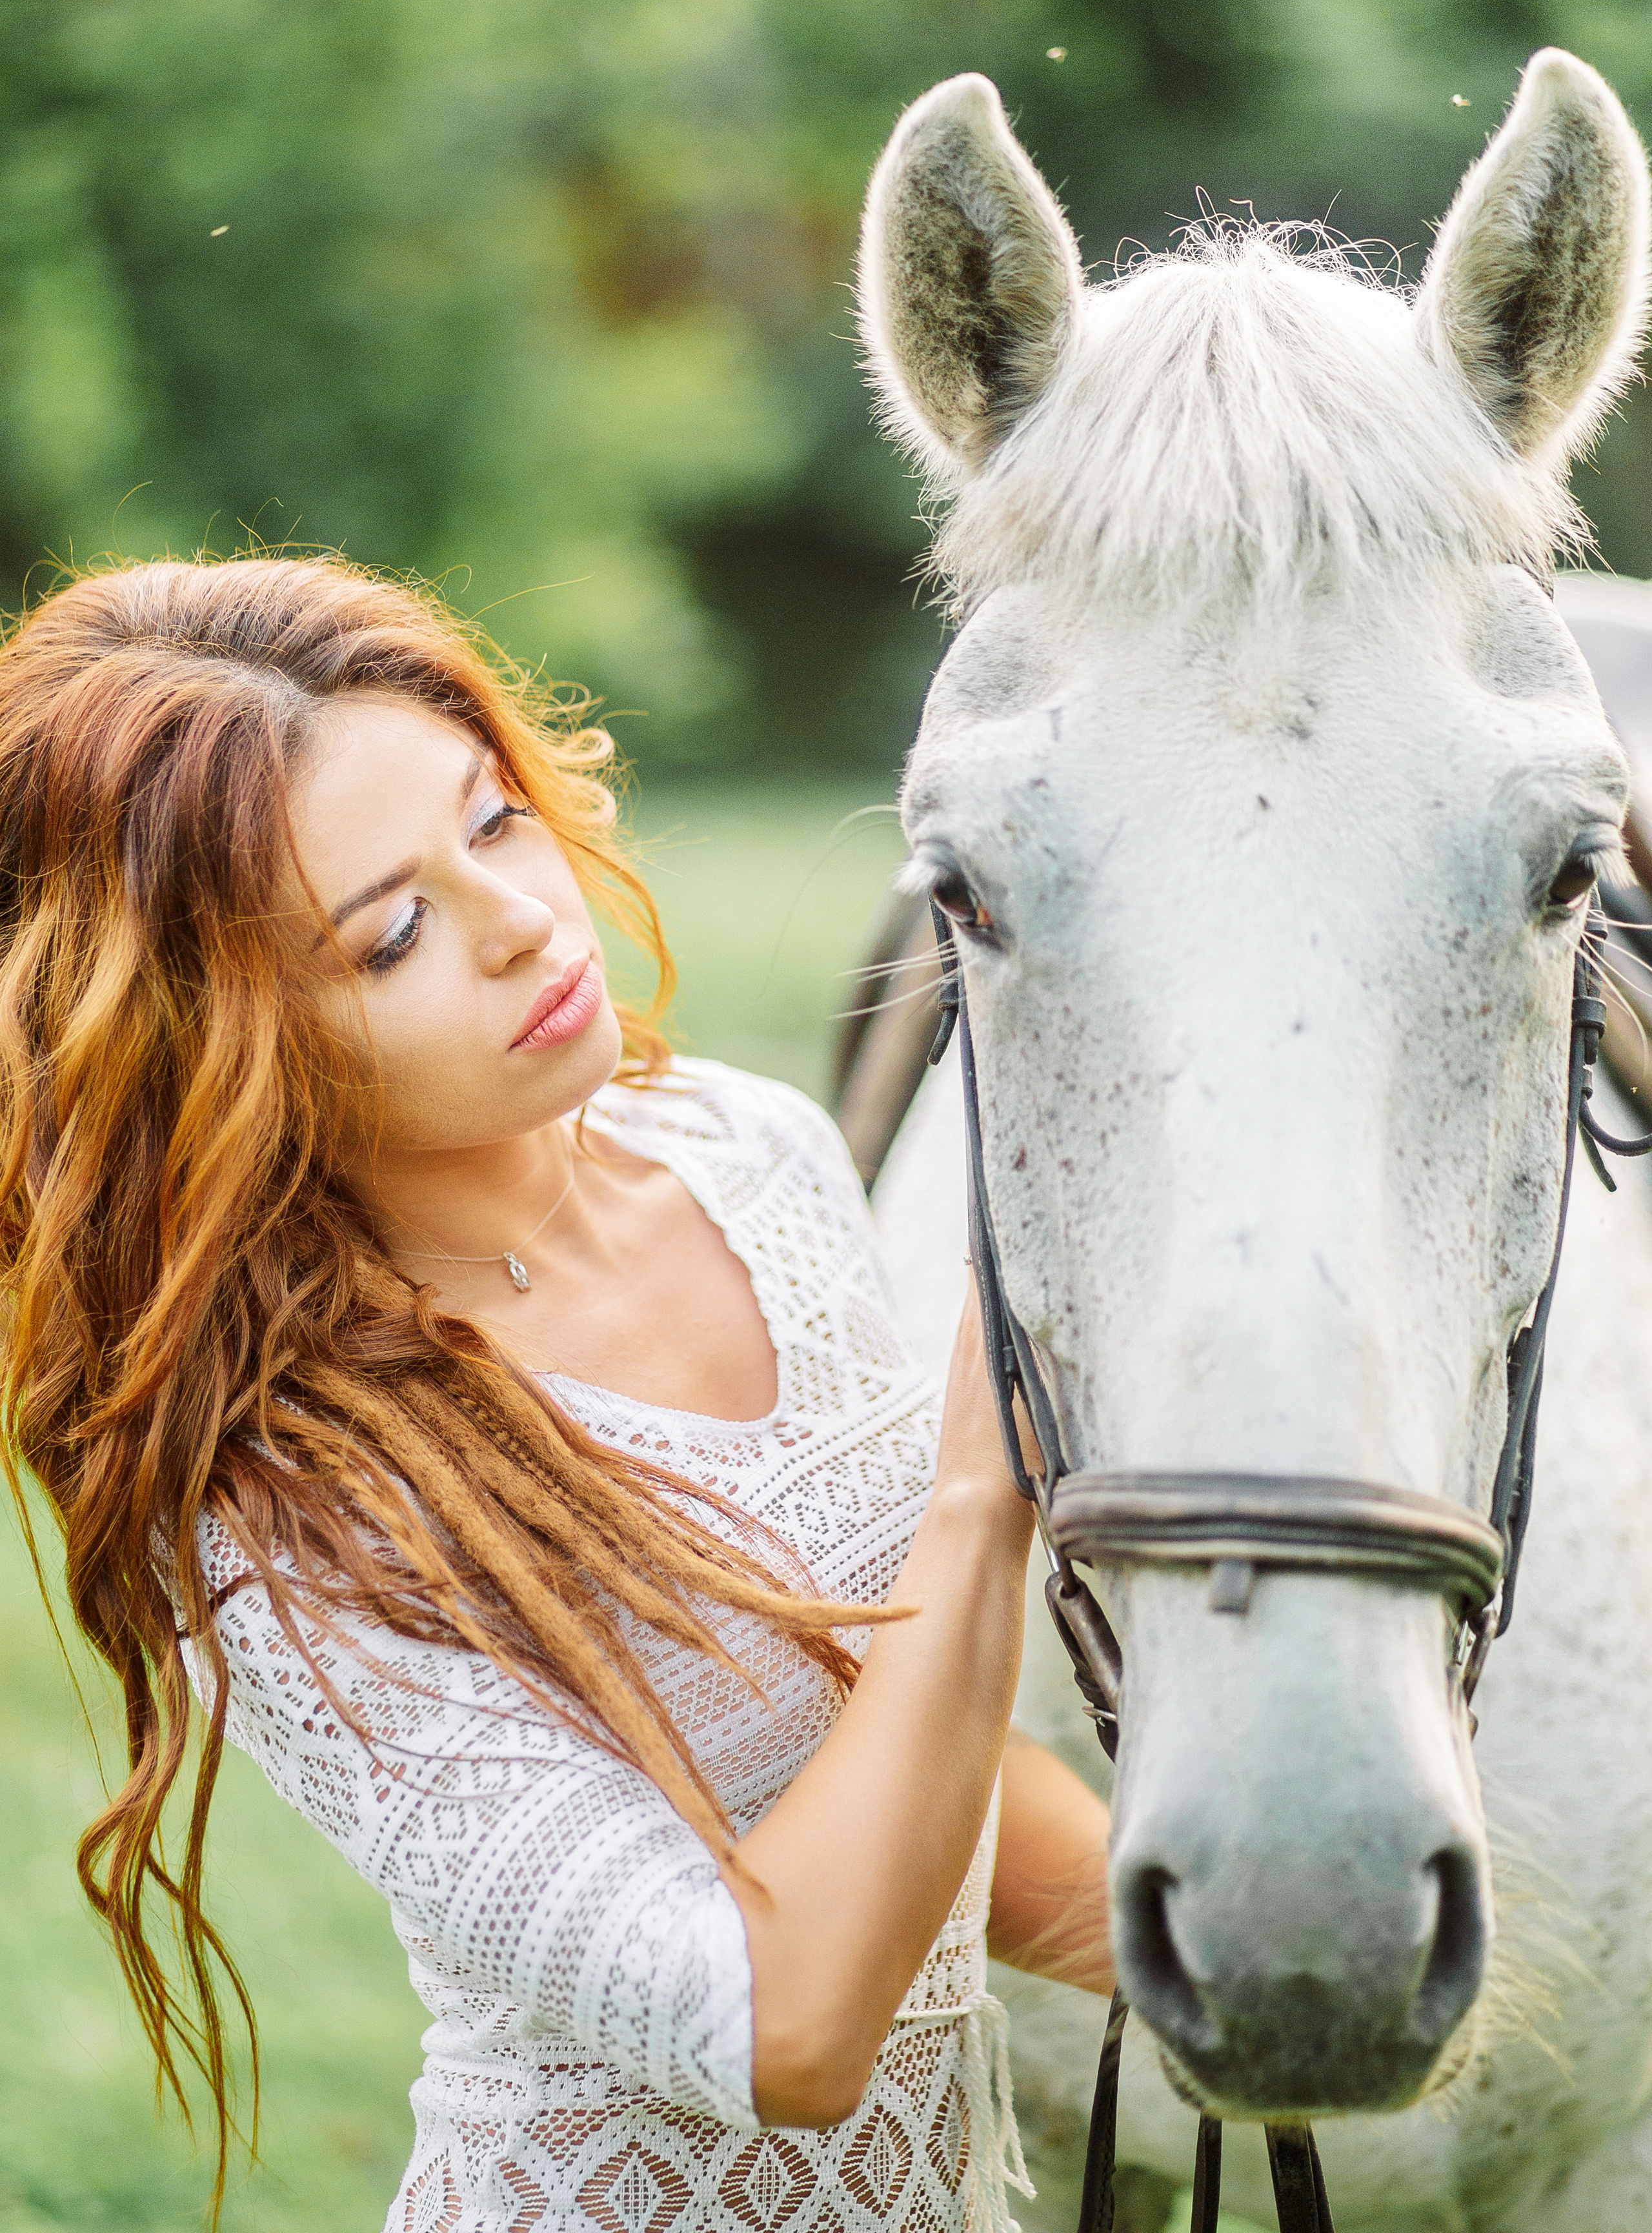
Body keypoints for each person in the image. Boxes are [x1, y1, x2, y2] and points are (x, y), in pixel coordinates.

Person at [0, 556, 1113, 2233]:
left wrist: (1295, 1961)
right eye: (391, 934)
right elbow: (786, 2027)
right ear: (216, 1044)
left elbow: (899, 1762)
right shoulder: (278, 1504)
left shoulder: (755, 1156)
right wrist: (983, 1485)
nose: (520, 919)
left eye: (496, 820)